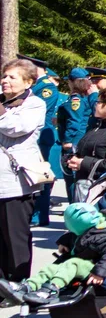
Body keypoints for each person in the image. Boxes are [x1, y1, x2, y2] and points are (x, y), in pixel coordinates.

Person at [0, 201, 106, 307]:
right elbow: (75, 235)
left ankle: (52, 289)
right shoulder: (90, 227)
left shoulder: (105, 236)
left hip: (94, 267)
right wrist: (63, 241)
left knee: (71, 263)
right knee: (53, 267)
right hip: (82, 261)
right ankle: (28, 285)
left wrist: (100, 272)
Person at [0, 58, 49, 282]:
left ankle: (18, 284)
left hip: (15, 182)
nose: (5, 81)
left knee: (15, 235)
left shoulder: (35, 103)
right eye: (4, 76)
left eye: (12, 77)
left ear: (28, 82)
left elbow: (17, 127)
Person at [26, 57, 63, 227]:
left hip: (41, 136)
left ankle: (39, 215)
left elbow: (38, 109)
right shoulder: (36, 85)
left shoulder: (46, 87)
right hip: (35, 136)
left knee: (41, 177)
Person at [57, 67, 97, 204]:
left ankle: (75, 209)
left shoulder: (76, 100)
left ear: (72, 82)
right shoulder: (82, 98)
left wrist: (68, 140)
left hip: (74, 143)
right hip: (80, 141)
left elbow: (75, 122)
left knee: (72, 180)